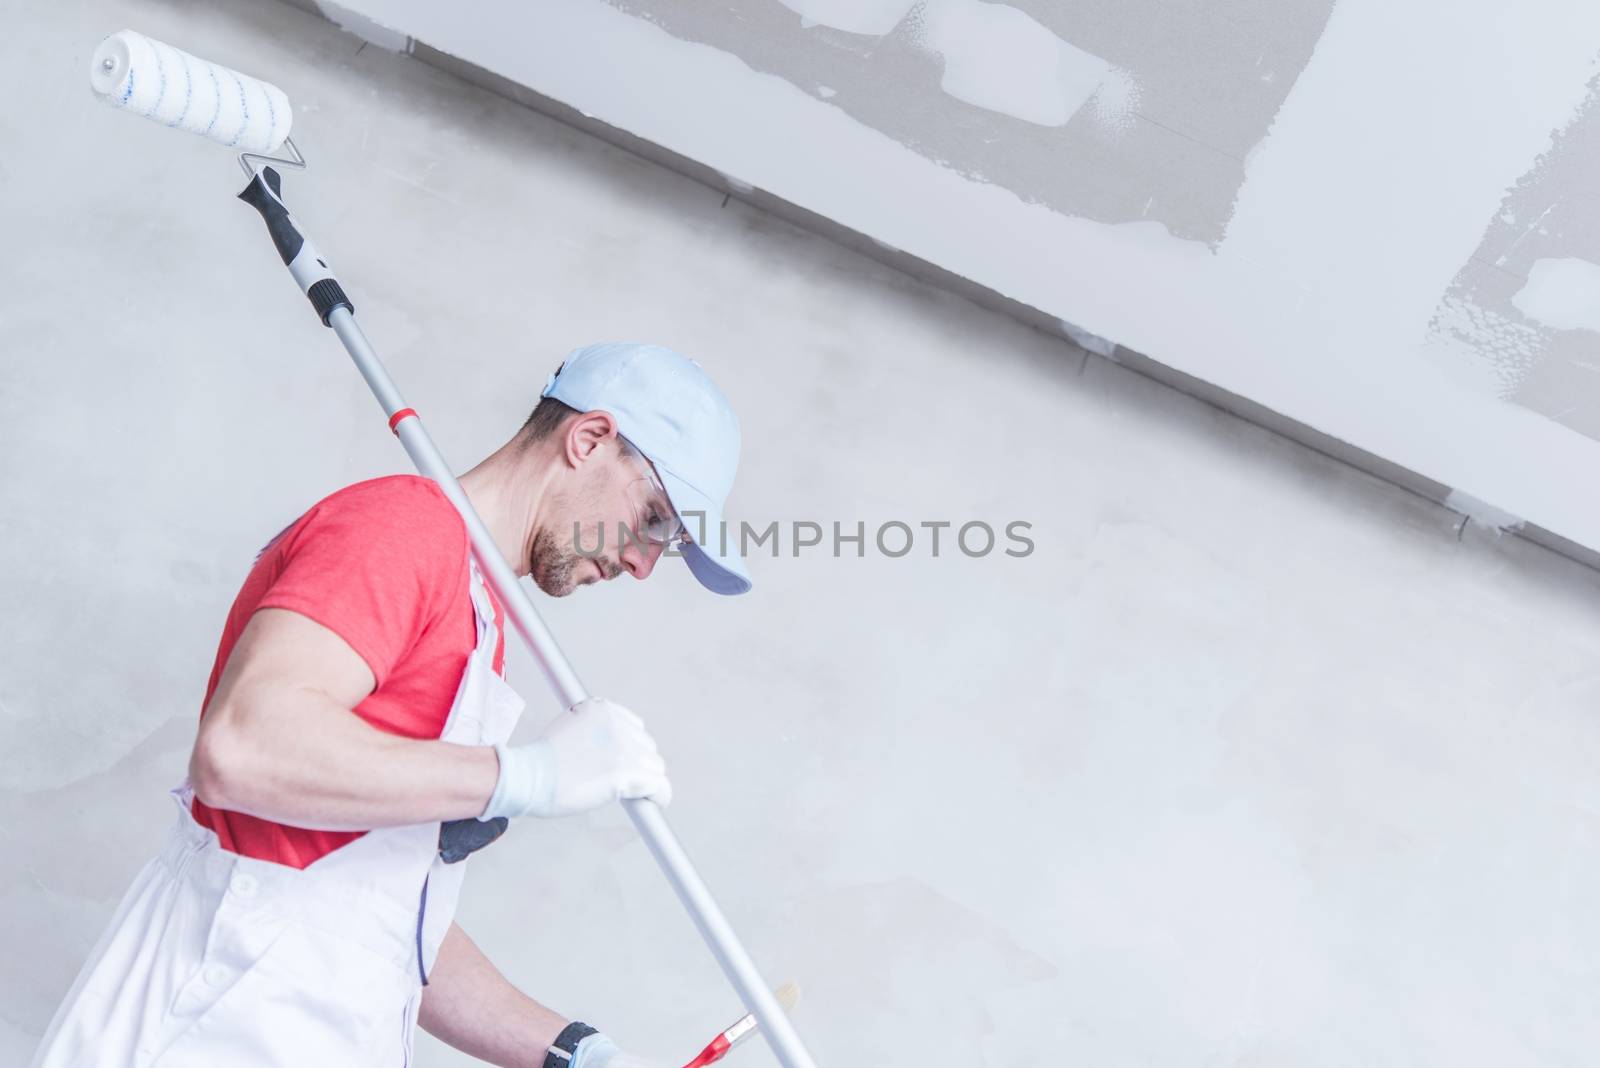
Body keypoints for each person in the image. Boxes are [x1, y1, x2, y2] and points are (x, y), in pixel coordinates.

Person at [32, 342, 752, 1068]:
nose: (643, 563)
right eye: (656, 519)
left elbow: (378, 911)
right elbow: (244, 746)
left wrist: (574, 1054)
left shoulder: (479, 618)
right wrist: (525, 776)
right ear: (589, 439)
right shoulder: (401, 531)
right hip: (208, 1029)